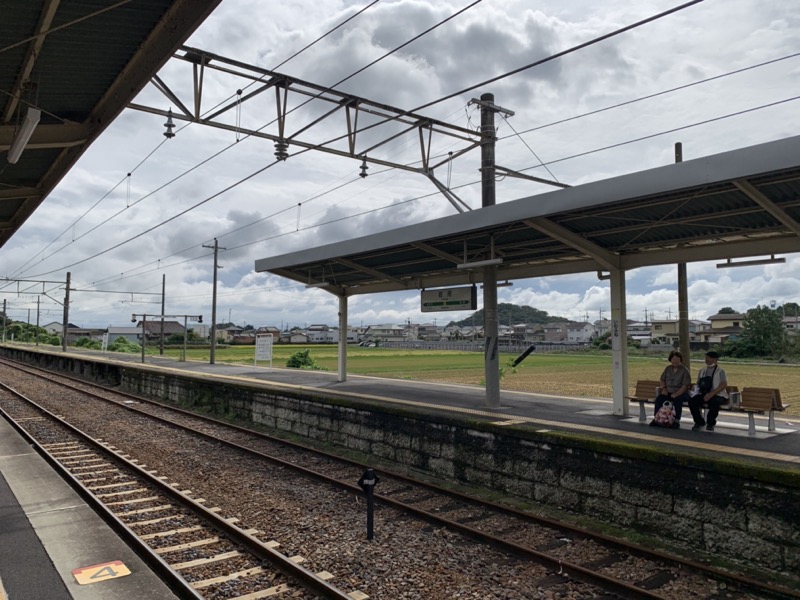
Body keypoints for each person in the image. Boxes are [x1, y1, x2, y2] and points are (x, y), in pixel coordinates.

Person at [689, 350, 728, 432]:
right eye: (706, 358)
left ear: (715, 360)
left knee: (714, 403)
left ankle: (710, 423)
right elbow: (699, 382)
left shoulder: (720, 371)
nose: (707, 360)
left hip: (717, 394)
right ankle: (699, 422)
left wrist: (711, 394)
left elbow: (723, 384)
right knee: (692, 402)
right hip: (703, 393)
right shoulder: (702, 370)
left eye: (709, 358)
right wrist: (695, 387)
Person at [650, 350, 691, 428]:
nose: (675, 361)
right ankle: (657, 418)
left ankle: (676, 420)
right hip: (668, 391)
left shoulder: (684, 370)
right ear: (670, 360)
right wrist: (664, 389)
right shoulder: (668, 369)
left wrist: (676, 394)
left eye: (677, 359)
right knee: (660, 399)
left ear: (680, 359)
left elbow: (685, 386)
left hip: (681, 393)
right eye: (673, 359)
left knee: (677, 400)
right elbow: (662, 380)